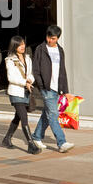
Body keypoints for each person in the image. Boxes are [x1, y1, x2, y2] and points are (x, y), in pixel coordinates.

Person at [31, 25, 75, 153]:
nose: (50, 40)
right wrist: (41, 85)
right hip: (47, 88)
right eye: (48, 37)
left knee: (47, 114)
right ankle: (61, 143)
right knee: (54, 114)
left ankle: (36, 137)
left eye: (53, 38)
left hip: (57, 89)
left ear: (57, 38)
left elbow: (62, 71)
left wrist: (65, 91)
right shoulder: (40, 49)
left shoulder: (60, 50)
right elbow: (36, 69)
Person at [1, 36, 41, 154]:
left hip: (25, 92)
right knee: (24, 117)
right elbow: (11, 78)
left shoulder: (27, 58)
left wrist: (30, 80)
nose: (23, 46)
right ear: (14, 46)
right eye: (20, 45)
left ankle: (6, 139)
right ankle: (31, 144)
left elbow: (30, 74)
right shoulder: (10, 60)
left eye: (23, 44)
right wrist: (25, 83)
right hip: (16, 92)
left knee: (18, 117)